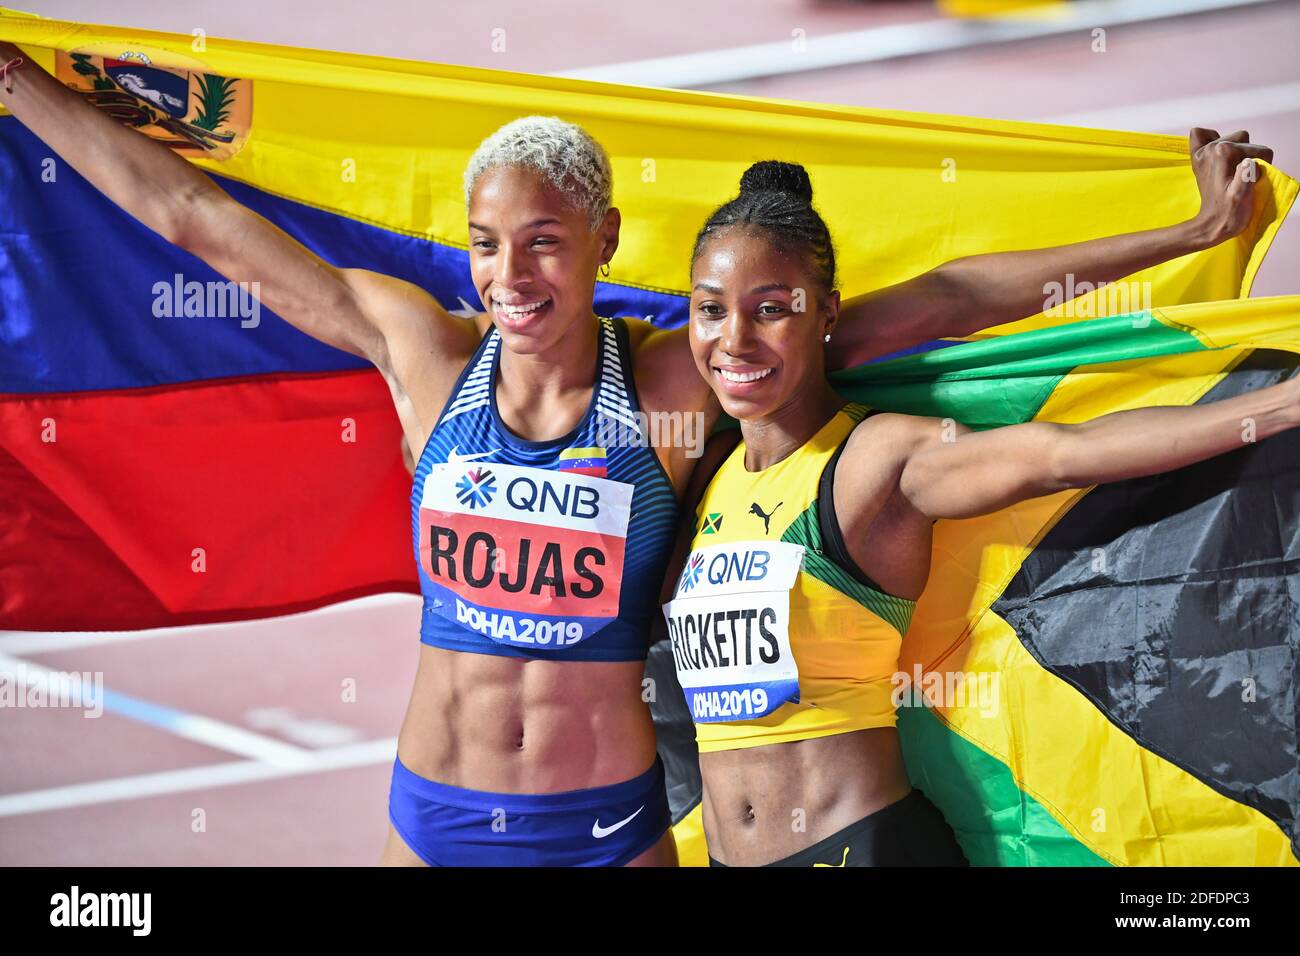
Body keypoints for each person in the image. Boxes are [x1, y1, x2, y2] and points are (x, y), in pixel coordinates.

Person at [0, 38, 1273, 865]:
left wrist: (1178, 234)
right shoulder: (419, 354)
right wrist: (21, 93)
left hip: (605, 830)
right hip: (429, 816)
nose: (512, 273)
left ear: (603, 240)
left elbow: (941, 300)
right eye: (489, 244)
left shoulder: (674, 375)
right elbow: (196, 218)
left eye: (546, 240)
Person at [661, 159, 1297, 867]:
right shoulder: (705, 472)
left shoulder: (875, 462)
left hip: (859, 850)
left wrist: (1275, 402)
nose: (735, 339)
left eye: (773, 309)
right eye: (710, 309)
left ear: (828, 314)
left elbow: (1062, 451)